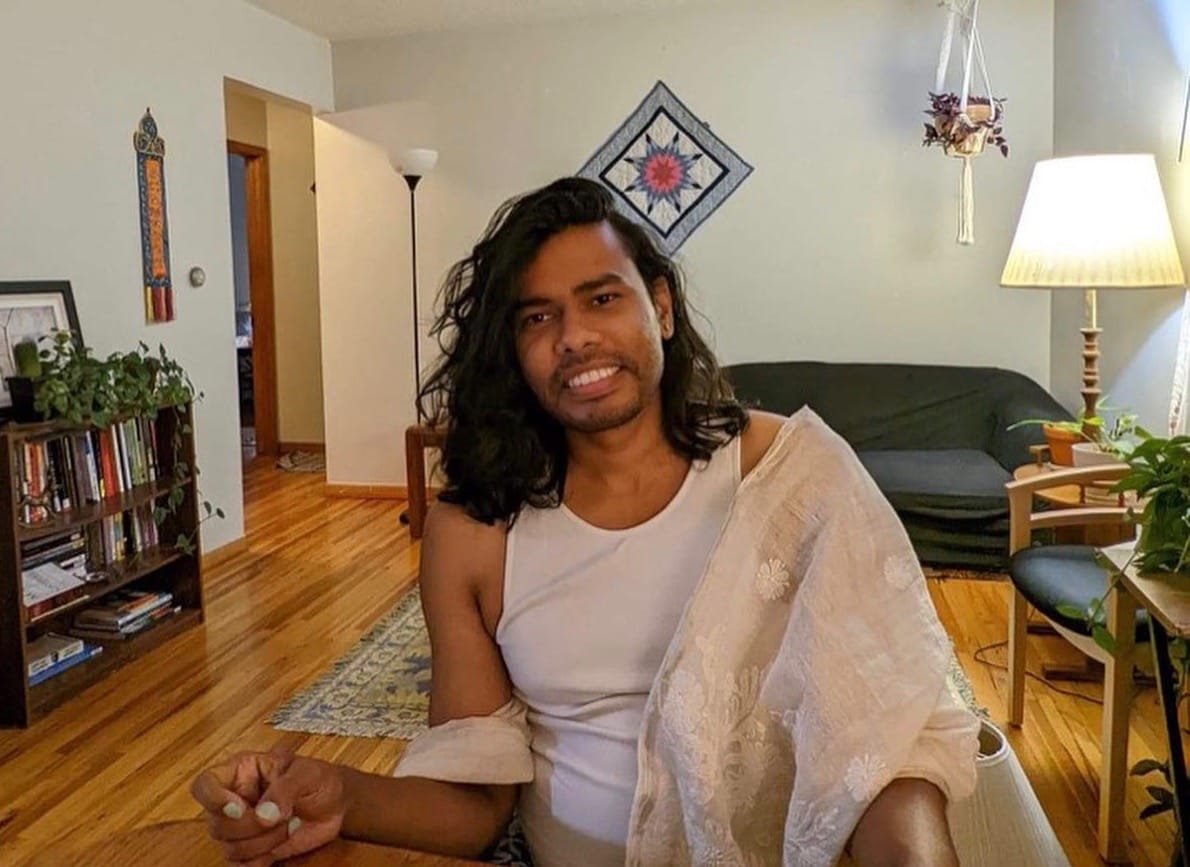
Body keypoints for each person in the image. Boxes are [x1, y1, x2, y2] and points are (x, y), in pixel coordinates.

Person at [192, 178, 966, 867]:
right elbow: (476, 803)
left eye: (602, 298)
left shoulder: (792, 475)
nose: (575, 337)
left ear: (660, 307)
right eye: (538, 317)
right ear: (513, 351)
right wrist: (339, 792)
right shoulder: (473, 533)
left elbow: (891, 745)